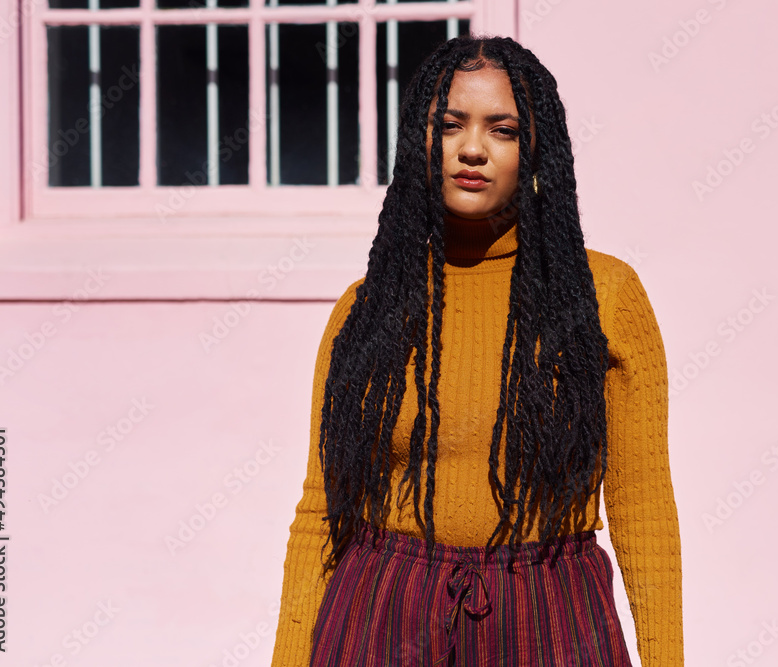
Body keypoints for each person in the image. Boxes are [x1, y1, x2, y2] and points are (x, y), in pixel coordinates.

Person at [270, 35, 683, 667]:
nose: (472, 148)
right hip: (384, 611)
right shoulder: (366, 308)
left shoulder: (605, 296)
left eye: (503, 129)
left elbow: (643, 504)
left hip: (551, 614)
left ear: (536, 149)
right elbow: (322, 512)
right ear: (421, 143)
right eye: (451, 125)